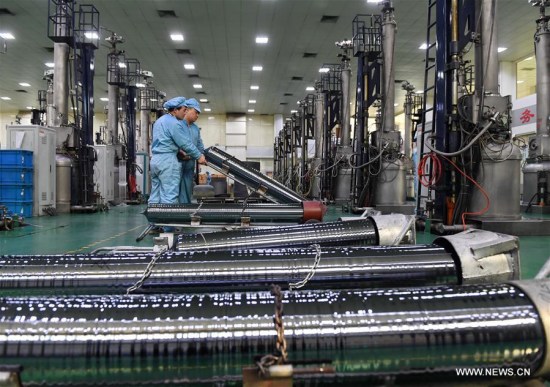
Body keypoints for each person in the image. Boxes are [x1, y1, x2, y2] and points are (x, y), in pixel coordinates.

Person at [149, 97, 206, 204]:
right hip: (168, 162)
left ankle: (153, 219)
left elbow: (164, 141)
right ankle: (165, 220)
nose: (185, 113)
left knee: (155, 194)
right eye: (184, 110)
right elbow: (184, 143)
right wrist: (199, 156)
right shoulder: (174, 123)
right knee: (169, 196)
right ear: (175, 110)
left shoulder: (159, 121)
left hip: (156, 160)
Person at [179, 98, 205, 203]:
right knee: (175, 188)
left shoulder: (195, 128)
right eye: (196, 112)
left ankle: (184, 212)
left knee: (187, 188)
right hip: (178, 162)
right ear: (187, 110)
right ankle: (173, 212)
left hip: (190, 164)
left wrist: (202, 155)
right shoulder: (178, 125)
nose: (197, 115)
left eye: (199, 113)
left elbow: (199, 144)